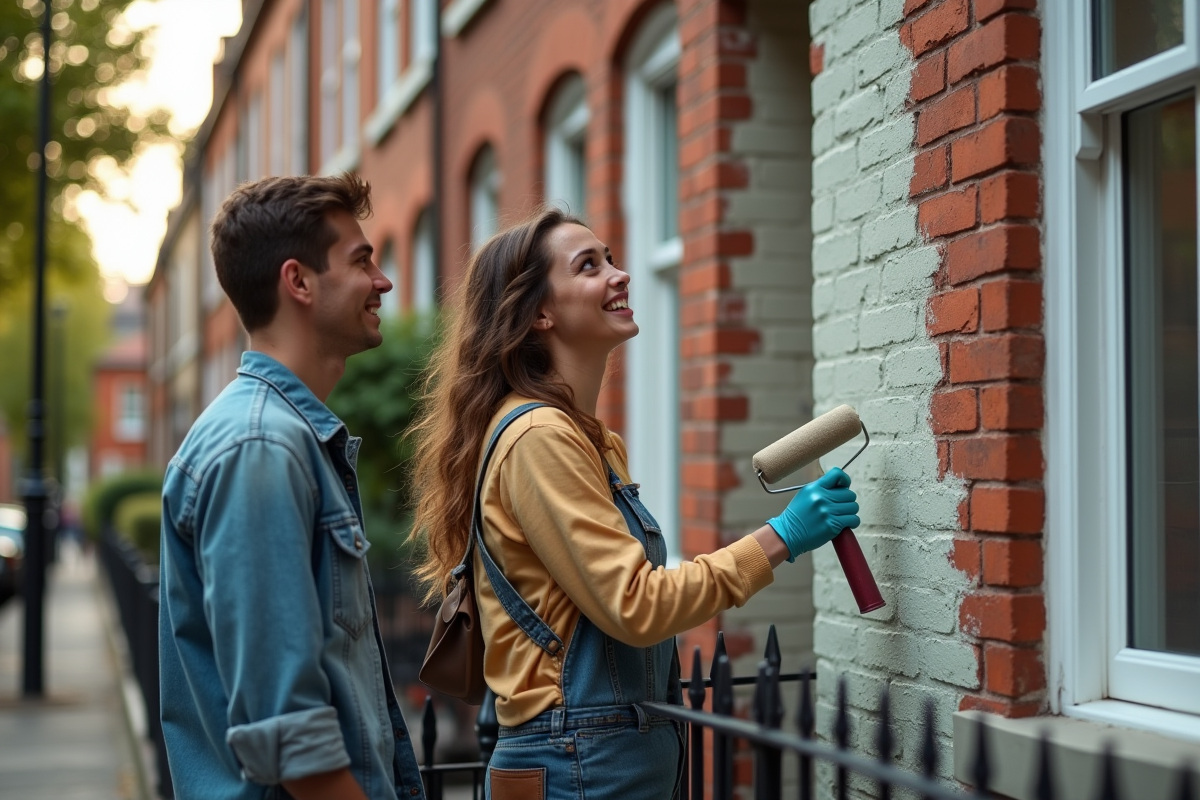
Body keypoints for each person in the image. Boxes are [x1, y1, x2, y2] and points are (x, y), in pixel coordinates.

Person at [407, 208, 859, 800]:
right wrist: (782, 537)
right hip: (580, 760)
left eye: (612, 259)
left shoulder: (589, 439)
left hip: (605, 753)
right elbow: (635, 605)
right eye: (589, 266)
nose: (619, 275)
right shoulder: (540, 436)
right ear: (539, 313)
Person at [159, 174, 425, 800]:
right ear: (298, 281)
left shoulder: (282, 438)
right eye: (362, 261)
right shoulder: (261, 448)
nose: (382, 282)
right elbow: (291, 737)